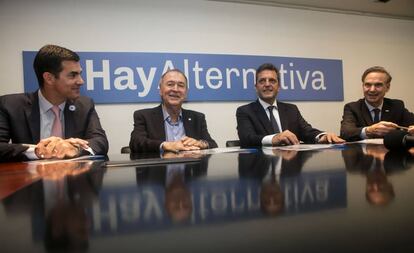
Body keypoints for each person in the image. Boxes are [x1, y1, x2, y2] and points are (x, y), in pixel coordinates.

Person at [0, 44, 108, 160]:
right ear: (49, 78)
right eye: (72, 75)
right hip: (28, 176)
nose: (81, 81)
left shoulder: (85, 105)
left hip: (74, 176)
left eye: (79, 74)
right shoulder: (10, 105)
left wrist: (74, 148)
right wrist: (37, 151)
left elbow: (100, 142)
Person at [236, 63, 344, 148]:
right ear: (256, 87)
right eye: (262, 81)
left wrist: (322, 136)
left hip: (289, 169)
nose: (267, 84)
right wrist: (274, 138)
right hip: (262, 169)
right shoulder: (245, 111)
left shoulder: (291, 109)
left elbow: (306, 131)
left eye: (272, 81)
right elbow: (247, 139)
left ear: (279, 87)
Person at [129, 69, 217, 153]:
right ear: (160, 90)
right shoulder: (144, 116)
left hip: (190, 168)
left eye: (181, 85)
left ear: (186, 93)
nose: (175, 89)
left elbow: (213, 145)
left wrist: (200, 143)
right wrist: (166, 145)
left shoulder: (197, 118)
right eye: (170, 84)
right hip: (157, 169)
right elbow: (136, 143)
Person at [340, 66, 414, 141]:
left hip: (391, 152)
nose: (372, 90)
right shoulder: (352, 107)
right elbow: (345, 133)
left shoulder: (397, 106)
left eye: (378, 85)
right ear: (363, 86)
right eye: (368, 85)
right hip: (361, 152)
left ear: (387, 87)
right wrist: (368, 131)